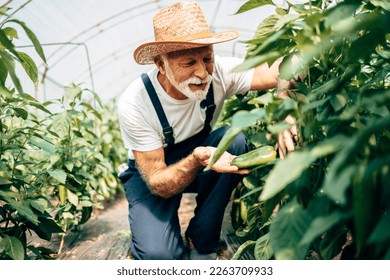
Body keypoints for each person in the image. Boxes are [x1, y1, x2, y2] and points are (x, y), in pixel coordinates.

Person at [117, 1, 297, 260]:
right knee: (160, 256)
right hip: (153, 176)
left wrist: (284, 103)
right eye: (189, 62)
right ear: (160, 63)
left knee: (232, 140)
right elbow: (159, 182)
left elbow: (285, 67)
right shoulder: (136, 102)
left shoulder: (220, 73)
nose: (202, 72)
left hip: (200, 156)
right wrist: (195, 159)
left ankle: (201, 238)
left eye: (207, 59)